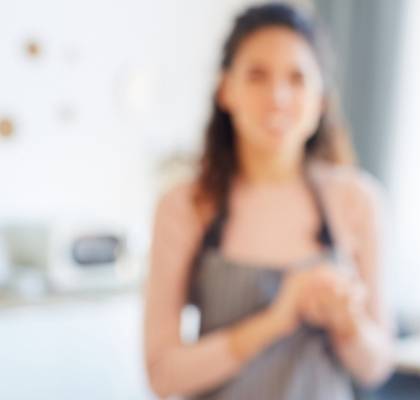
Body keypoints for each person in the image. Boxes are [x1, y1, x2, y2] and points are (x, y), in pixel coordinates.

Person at [143, 3, 393, 399]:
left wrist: (349, 325)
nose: (278, 97)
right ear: (226, 90)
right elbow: (164, 376)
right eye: (257, 75)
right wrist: (277, 319)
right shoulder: (185, 204)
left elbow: (376, 366)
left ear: (321, 98)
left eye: (297, 78)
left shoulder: (356, 200)